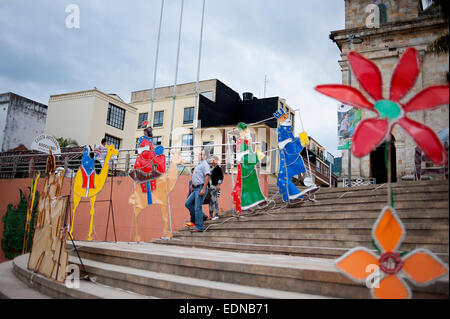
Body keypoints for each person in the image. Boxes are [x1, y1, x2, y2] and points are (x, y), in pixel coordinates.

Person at [274, 108, 318, 204]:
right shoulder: (281, 131)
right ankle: (295, 193)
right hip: (290, 159)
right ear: (280, 120)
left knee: (284, 177)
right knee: (286, 177)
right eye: (284, 117)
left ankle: (300, 191)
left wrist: (303, 140)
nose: (288, 118)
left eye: (287, 116)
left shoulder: (288, 132)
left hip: (292, 158)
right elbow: (280, 145)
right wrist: (289, 141)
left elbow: (295, 145)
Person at [232, 122, 266, 214]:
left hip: (249, 167)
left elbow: (248, 155)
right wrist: (257, 156)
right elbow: (244, 157)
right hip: (245, 168)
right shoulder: (242, 142)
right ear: (243, 131)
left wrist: (255, 156)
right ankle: (244, 206)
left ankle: (259, 200)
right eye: (246, 129)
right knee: (246, 187)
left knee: (254, 184)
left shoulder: (246, 141)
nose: (248, 131)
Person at [185, 150, 210, 232]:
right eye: (199, 154)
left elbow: (207, 177)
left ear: (205, 156)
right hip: (195, 188)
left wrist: (203, 189)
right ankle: (202, 216)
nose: (199, 155)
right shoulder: (199, 164)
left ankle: (199, 227)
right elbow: (196, 176)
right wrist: (192, 185)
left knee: (197, 208)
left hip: (200, 188)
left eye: (201, 154)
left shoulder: (205, 164)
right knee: (188, 203)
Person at [209, 155, 223, 221]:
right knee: (211, 201)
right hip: (212, 187)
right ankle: (211, 215)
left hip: (215, 186)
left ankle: (216, 215)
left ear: (215, 161)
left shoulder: (218, 168)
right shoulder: (213, 168)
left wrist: (218, 185)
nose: (211, 162)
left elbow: (221, 177)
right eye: (211, 160)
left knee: (215, 201)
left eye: (212, 160)